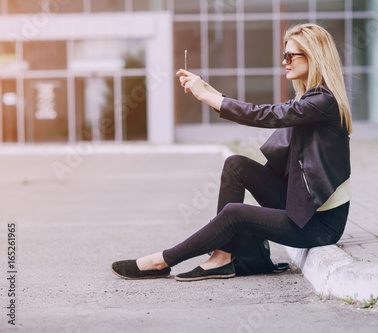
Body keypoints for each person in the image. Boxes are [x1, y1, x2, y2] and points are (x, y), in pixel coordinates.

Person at [111, 23, 352, 282]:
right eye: (284, 55)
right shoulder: (309, 99)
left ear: (313, 56)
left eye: (290, 55)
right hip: (300, 206)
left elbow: (265, 115)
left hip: (319, 224)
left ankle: (162, 260)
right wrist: (208, 90)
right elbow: (265, 111)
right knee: (235, 164)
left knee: (235, 213)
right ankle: (222, 257)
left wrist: (206, 97)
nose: (285, 61)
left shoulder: (322, 102)